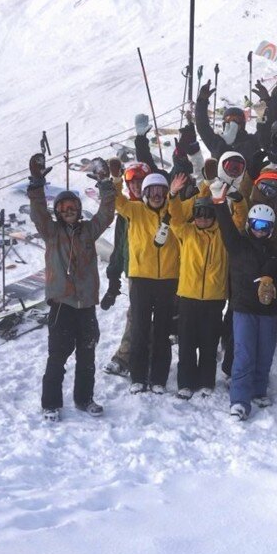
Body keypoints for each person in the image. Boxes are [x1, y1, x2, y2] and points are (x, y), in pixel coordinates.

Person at [27, 152, 115, 421]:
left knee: (87, 357)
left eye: (72, 207)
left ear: (78, 209)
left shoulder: (89, 231)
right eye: (63, 208)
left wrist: (106, 185)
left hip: (86, 305)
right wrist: (36, 183)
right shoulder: (51, 233)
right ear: (58, 212)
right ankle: (51, 403)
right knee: (57, 358)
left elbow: (107, 214)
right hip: (62, 305)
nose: (68, 211)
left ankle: (84, 399)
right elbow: (38, 211)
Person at [213, 198, 277, 419]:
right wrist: (219, 203)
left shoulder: (275, 252)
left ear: (271, 229)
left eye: (265, 227)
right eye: (256, 225)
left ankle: (258, 389)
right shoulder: (238, 244)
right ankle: (240, 400)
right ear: (249, 225)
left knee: (265, 352)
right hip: (243, 308)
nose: (260, 231)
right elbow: (225, 225)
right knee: (244, 353)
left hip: (268, 310)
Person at [113, 169, 180, 394]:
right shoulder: (135, 210)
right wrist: (113, 179)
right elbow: (116, 199)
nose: (156, 195)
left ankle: (159, 378)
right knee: (140, 328)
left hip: (168, 280)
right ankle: (138, 377)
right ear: (145, 193)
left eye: (161, 190)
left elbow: (188, 206)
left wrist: (176, 194)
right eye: (151, 191)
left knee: (162, 330)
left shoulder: (173, 211)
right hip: (141, 278)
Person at [168, 192, 229, 398]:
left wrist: (235, 200)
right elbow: (174, 216)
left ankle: (206, 381)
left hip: (214, 298)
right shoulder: (187, 232)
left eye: (207, 214)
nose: (202, 218)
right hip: (188, 297)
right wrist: (174, 195)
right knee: (186, 342)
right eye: (198, 214)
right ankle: (185, 382)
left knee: (209, 342)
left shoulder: (223, 234)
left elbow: (238, 220)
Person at [101, 159, 150, 376]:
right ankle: (125, 357)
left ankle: (146, 356)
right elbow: (120, 247)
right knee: (136, 315)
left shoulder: (160, 205)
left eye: (140, 182)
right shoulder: (125, 212)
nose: (136, 187)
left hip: (165, 272)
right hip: (136, 272)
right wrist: (114, 280)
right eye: (132, 183)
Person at [195, 81, 263, 171]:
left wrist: (266, 104)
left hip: (246, 183)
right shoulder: (218, 142)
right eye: (229, 120)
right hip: (221, 183)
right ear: (224, 123)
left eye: (236, 120)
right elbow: (202, 126)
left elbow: (266, 130)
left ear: (242, 124)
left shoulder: (251, 141)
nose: (232, 123)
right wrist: (202, 102)